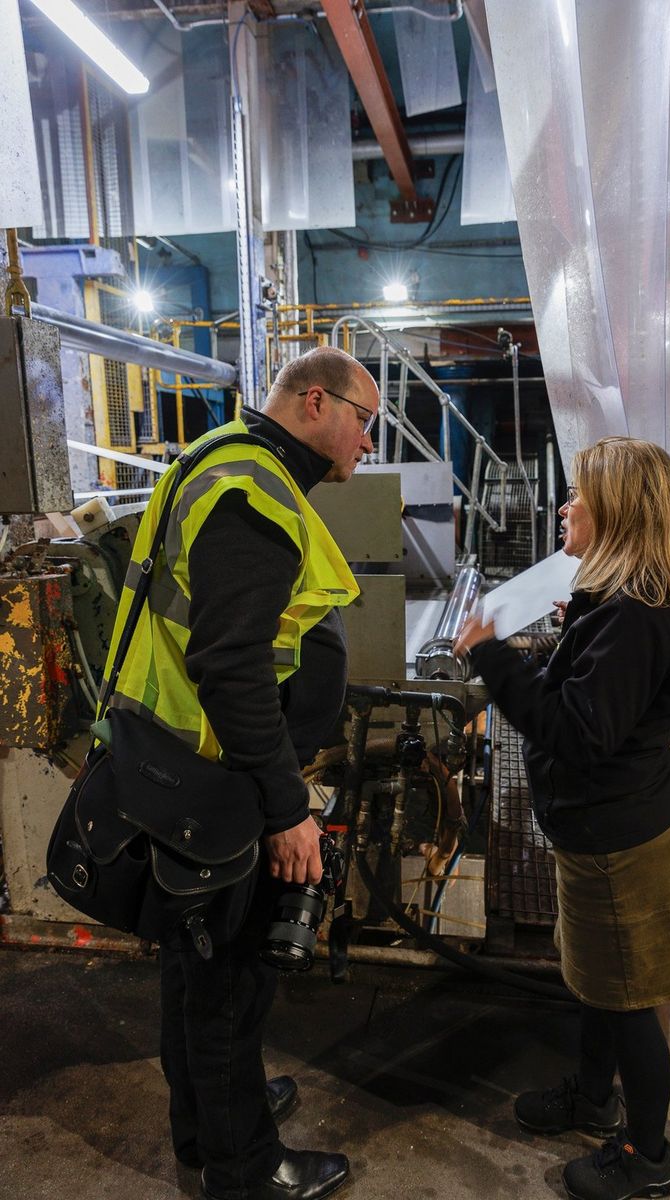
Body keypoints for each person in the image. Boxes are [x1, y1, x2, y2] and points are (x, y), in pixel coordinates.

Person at [103, 346, 379, 1200]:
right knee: (229, 979)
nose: (367, 443)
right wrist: (286, 806)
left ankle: (206, 1123)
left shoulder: (228, 459)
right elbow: (231, 664)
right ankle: (244, 1169)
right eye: (364, 420)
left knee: (196, 964)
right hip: (224, 777)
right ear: (314, 403)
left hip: (187, 763)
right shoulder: (252, 494)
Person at [455, 437, 670, 1200]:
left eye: (580, 495)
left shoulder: (636, 618)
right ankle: (594, 1097)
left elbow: (574, 731)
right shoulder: (621, 605)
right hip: (604, 831)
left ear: (621, 514)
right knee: (602, 983)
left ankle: (646, 1157)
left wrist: (493, 656)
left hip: (618, 844)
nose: (566, 505)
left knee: (630, 997)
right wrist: (578, 623)